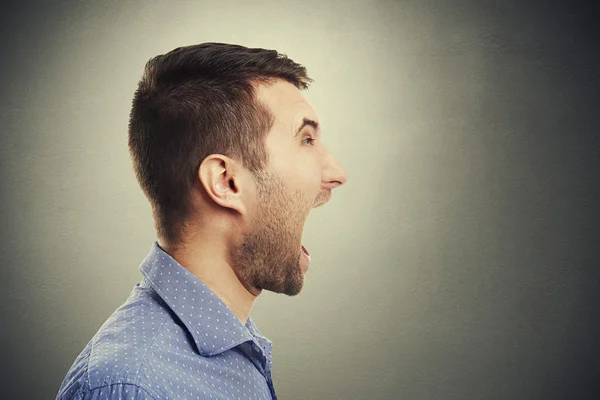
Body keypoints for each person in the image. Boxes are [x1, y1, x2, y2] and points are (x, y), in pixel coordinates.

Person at [56, 43, 348, 400]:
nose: (336, 173)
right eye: (306, 139)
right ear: (226, 182)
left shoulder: (233, 346)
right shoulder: (133, 386)